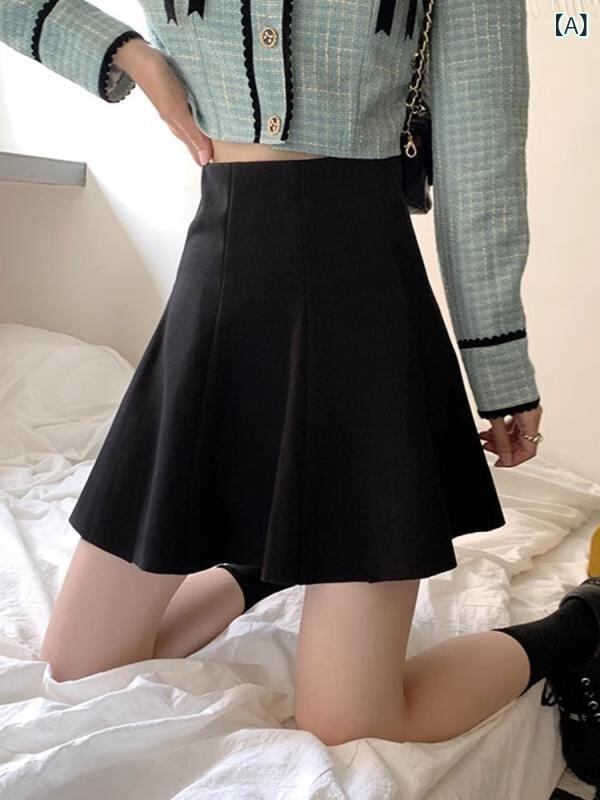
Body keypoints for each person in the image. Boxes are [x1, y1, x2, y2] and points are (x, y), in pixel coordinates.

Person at [1, 0, 598, 784]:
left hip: (366, 302)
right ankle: (268, 567)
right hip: (220, 281)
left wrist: (500, 369)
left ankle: (584, 623)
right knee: (77, 665)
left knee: (350, 723)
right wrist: (130, 57)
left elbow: (480, 151)